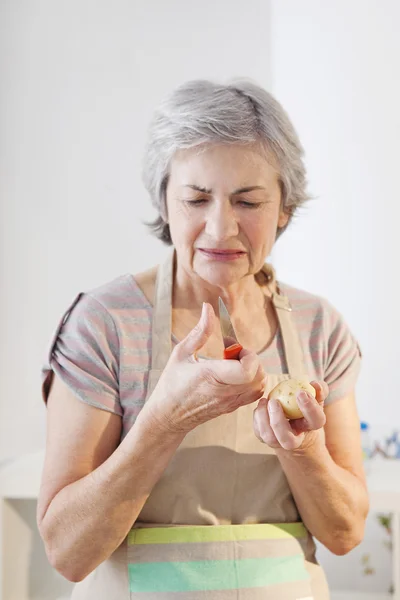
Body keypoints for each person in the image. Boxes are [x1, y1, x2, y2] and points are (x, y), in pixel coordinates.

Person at [38, 79, 369, 600]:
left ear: (284, 208)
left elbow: (345, 534)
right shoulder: (105, 323)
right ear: (164, 202)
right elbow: (68, 552)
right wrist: (164, 422)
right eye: (196, 199)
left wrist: (304, 450)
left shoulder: (317, 326)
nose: (220, 229)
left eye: (248, 201)